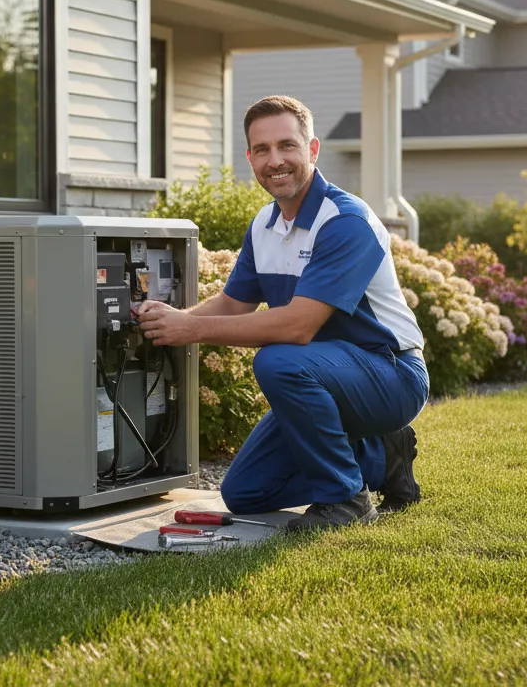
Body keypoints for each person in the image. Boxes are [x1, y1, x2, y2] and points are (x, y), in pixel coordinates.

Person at [138, 95, 428, 530]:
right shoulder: (264, 225)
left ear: (312, 150)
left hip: (391, 375)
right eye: (262, 150)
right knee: (246, 494)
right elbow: (235, 305)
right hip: (322, 372)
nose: (275, 160)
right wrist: (168, 321)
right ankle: (381, 457)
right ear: (250, 158)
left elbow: (297, 326)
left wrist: (192, 328)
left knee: (277, 359)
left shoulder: (344, 221)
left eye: (287, 146)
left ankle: (346, 498)